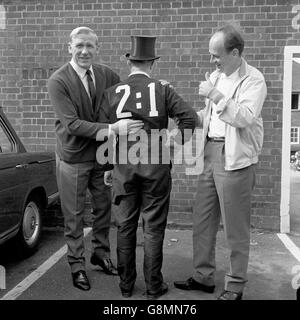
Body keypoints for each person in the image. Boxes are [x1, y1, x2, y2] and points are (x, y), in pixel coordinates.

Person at [99, 36, 198, 299]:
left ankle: (126, 286)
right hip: (156, 166)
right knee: (153, 229)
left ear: (128, 61)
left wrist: (108, 165)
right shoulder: (163, 89)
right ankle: (154, 287)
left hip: (124, 167)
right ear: (152, 63)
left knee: (125, 227)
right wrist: (173, 144)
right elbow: (191, 118)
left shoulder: (111, 93)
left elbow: (107, 134)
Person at [174, 24, 267, 300]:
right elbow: (210, 115)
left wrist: (214, 94)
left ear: (235, 52)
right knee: (202, 221)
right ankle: (203, 277)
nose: (212, 60)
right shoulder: (216, 75)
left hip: (235, 158)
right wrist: (185, 112)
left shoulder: (254, 80)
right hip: (209, 152)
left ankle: (235, 286)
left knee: (235, 229)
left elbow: (245, 117)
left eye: (217, 55)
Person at [47, 26, 143, 291]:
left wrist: (154, 89)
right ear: (69, 47)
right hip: (74, 158)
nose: (84, 51)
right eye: (79, 45)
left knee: (103, 210)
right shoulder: (59, 80)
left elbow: (126, 98)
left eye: (89, 46)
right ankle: (77, 266)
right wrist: (112, 130)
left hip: (103, 156)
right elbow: (73, 125)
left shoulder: (106, 74)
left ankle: (100, 254)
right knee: (74, 215)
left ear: (97, 48)